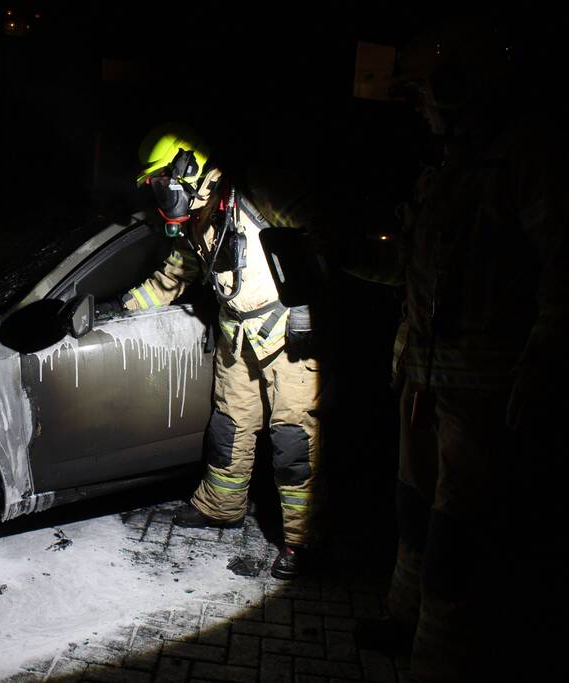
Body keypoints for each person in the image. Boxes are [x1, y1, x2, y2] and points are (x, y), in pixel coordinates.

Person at [348, 16, 568, 681]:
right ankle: (403, 619)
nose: (418, 109)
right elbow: (417, 270)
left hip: (481, 395)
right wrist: (343, 260)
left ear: (460, 86)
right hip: (425, 380)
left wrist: (540, 365)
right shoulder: (452, 167)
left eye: (422, 94)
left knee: (455, 537)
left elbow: (564, 271)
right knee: (413, 512)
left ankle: (439, 661)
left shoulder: (525, 160)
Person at [121, 124, 324, 579]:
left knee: (294, 440)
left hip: (288, 337)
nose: (159, 190)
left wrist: (306, 307)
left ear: (188, 167)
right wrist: (126, 305)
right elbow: (178, 272)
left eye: (161, 179)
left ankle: (303, 541)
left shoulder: (259, 193)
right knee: (230, 427)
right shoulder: (201, 216)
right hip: (237, 339)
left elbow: (318, 239)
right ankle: (220, 506)